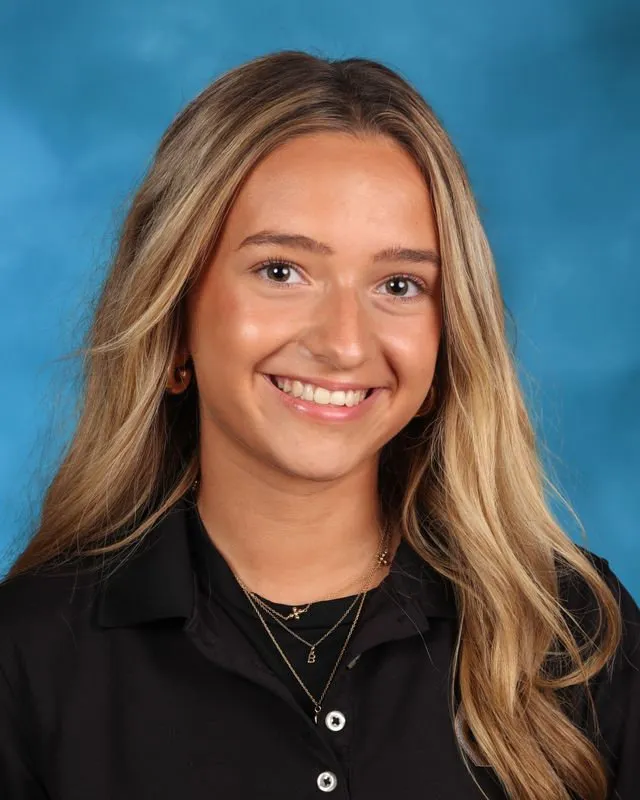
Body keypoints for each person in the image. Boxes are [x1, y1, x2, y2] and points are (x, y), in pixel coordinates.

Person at [0, 50, 637, 800]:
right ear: (174, 318)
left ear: (448, 339)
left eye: (399, 285)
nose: (343, 342)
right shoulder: (30, 652)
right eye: (281, 271)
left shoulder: (572, 634)